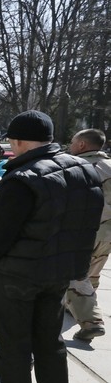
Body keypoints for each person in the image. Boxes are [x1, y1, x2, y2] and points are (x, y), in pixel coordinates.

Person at [0, 110, 103, 383]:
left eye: (12, 143)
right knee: (49, 344)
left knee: (14, 346)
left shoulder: (23, 178)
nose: (11, 150)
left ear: (19, 140)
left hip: (17, 275)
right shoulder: (85, 170)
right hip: (57, 273)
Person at [66, 129, 111, 342]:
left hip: (85, 232)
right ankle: (73, 307)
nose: (70, 145)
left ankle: (92, 322)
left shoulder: (80, 167)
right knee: (92, 273)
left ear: (82, 145)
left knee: (77, 274)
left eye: (73, 141)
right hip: (107, 234)